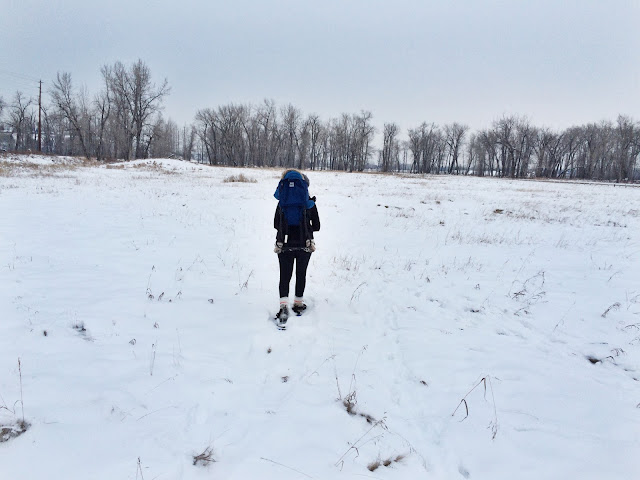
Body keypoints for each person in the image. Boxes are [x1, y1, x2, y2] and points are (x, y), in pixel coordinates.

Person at [273, 169, 320, 323]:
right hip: (304, 244)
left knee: (284, 276)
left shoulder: (282, 203)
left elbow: (275, 225)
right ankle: (298, 304)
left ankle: (283, 306)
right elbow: (317, 226)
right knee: (301, 274)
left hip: (284, 244)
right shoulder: (309, 203)